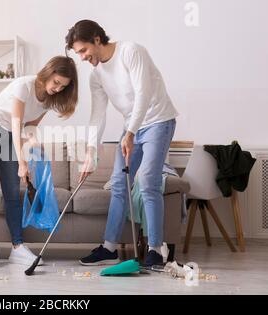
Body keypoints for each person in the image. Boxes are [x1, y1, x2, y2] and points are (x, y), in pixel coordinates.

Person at [65, 20, 178, 267]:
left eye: (83, 50)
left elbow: (143, 94)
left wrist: (130, 133)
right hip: (133, 127)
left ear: (97, 39)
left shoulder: (130, 51)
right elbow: (97, 115)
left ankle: (157, 250)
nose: (82, 58)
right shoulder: (96, 76)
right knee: (119, 184)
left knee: (148, 181)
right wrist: (91, 152)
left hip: (158, 121)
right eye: (78, 53)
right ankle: (109, 248)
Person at [0, 56, 78, 267]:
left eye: (63, 86)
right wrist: (22, 163)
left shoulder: (49, 101)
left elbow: (28, 129)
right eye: (56, 82)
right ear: (48, 73)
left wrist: (33, 147)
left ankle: (17, 247)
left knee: (12, 192)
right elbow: (17, 124)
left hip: (9, 135)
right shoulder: (24, 86)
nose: (57, 89)